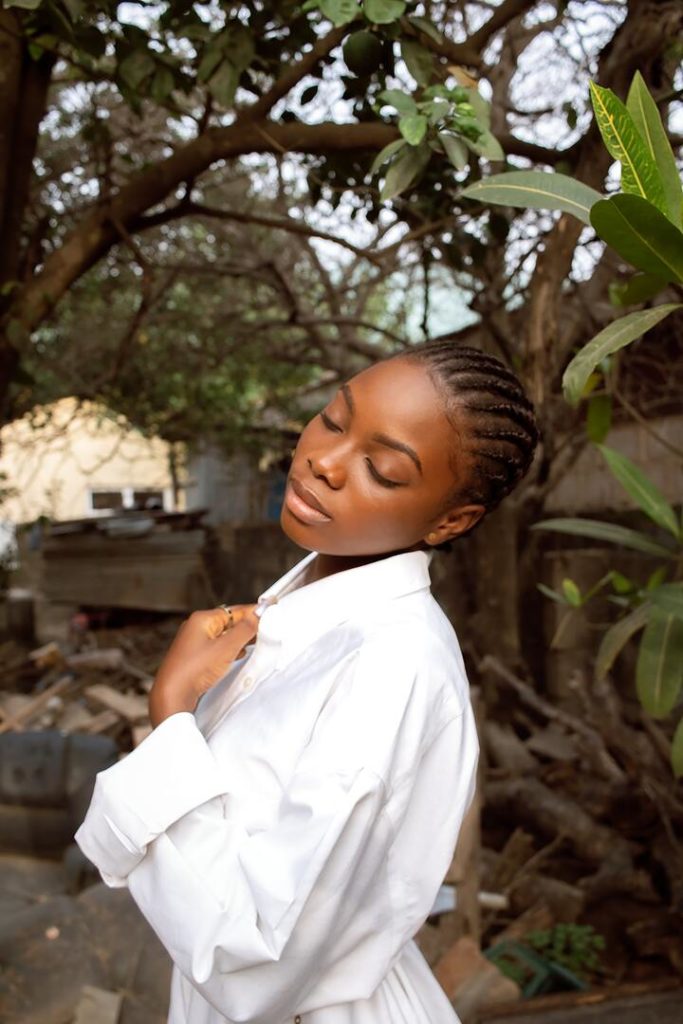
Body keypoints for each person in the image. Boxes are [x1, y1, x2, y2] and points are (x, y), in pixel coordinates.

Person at [75, 342, 539, 1024]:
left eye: (379, 468)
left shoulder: (391, 667)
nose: (323, 460)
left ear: (450, 521)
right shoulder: (302, 614)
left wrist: (170, 714)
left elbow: (257, 962)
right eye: (330, 417)